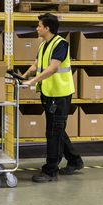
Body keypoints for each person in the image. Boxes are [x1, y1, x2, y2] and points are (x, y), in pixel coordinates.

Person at [22, 13, 84, 183]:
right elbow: (36, 65)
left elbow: (53, 68)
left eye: (39, 25)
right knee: (57, 130)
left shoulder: (60, 44)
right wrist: (22, 77)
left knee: (53, 133)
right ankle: (75, 161)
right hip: (49, 94)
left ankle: (50, 171)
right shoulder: (43, 45)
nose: (37, 28)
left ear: (47, 28)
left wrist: (32, 81)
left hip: (60, 95)